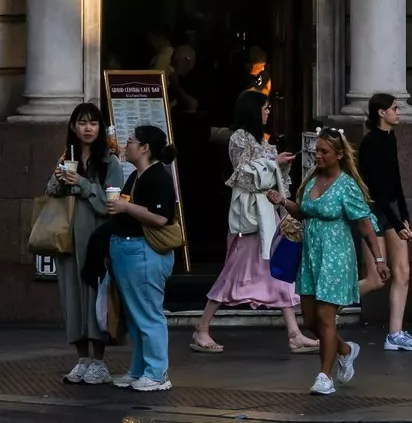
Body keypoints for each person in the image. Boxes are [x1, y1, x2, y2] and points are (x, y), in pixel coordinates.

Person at [189, 91, 314, 354]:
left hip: (267, 216)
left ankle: (294, 333)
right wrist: (273, 163)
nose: (268, 112)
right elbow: (242, 175)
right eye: (265, 108)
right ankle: (201, 328)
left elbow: (270, 175)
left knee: (279, 272)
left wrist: (280, 166)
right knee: (233, 271)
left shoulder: (263, 141)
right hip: (250, 219)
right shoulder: (239, 138)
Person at [267, 128, 382, 397]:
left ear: (339, 155)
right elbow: (303, 212)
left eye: (323, 151)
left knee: (326, 318)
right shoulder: (311, 181)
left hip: (336, 257)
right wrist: (283, 201)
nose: (317, 155)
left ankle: (324, 376)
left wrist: (378, 259)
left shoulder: (347, 186)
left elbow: (365, 225)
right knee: (309, 320)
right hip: (311, 256)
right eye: (315, 150)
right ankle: (344, 349)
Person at [48, 102, 132, 384]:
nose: (88, 128)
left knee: (96, 297)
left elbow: (111, 204)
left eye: (93, 123)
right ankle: (82, 358)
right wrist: (60, 180)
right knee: (71, 297)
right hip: (67, 240)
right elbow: (49, 191)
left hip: (96, 240)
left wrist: (82, 183)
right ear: (73, 126)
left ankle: (99, 360)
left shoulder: (110, 162)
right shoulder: (66, 157)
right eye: (82, 123)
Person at [104, 124, 179, 393]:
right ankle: (139, 369)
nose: (127, 144)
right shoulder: (137, 175)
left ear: (145, 148)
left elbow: (160, 217)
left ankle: (157, 372)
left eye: (132, 140)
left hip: (144, 252)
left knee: (148, 313)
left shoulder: (157, 177)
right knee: (136, 317)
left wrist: (126, 207)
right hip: (127, 250)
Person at [358, 91, 412, 353]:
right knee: (375, 279)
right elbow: (377, 188)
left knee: (403, 272)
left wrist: (403, 217)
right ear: (381, 113)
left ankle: (395, 333)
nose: (398, 112)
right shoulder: (370, 142)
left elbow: (395, 182)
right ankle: (328, 306)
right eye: (394, 108)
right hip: (374, 210)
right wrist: (397, 222)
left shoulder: (390, 138)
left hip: (393, 210)